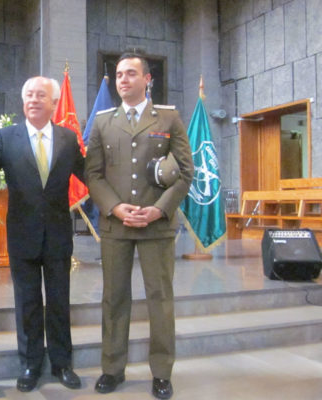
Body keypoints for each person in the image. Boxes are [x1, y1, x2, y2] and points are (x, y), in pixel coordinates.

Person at [85, 50, 194, 399]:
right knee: (114, 299)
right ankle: (112, 368)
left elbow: (185, 173)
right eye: (118, 75)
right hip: (117, 226)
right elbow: (93, 174)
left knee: (159, 298)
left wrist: (159, 210)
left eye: (131, 74)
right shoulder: (103, 121)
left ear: (148, 79)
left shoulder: (168, 118)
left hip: (155, 226)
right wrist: (115, 208)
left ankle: (162, 372)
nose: (123, 80)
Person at [0, 76, 85, 392]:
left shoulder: (68, 139)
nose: (33, 99)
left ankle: (62, 364)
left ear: (53, 103)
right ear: (23, 101)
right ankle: (30, 364)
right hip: (21, 235)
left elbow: (90, 175)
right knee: (27, 302)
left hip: (58, 235)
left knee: (59, 301)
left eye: (41, 95)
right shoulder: (6, 138)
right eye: (28, 94)